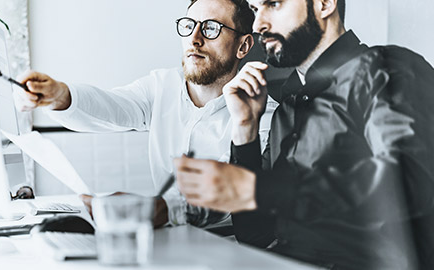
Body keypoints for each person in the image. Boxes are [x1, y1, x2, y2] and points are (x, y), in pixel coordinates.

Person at [174, 0, 434, 269]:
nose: (258, 24)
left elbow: (407, 182)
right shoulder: (286, 108)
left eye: (273, 4)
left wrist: (259, 190)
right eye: (255, 9)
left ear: (324, 4)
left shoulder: (385, 70)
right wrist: (245, 129)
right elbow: (256, 235)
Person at [14, 0, 277, 228]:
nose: (195, 39)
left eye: (211, 28)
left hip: (231, 249)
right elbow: (112, 106)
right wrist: (61, 96)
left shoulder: (264, 112)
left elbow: (232, 184)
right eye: (188, 25)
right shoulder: (161, 85)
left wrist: (164, 209)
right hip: (171, 238)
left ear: (243, 46)